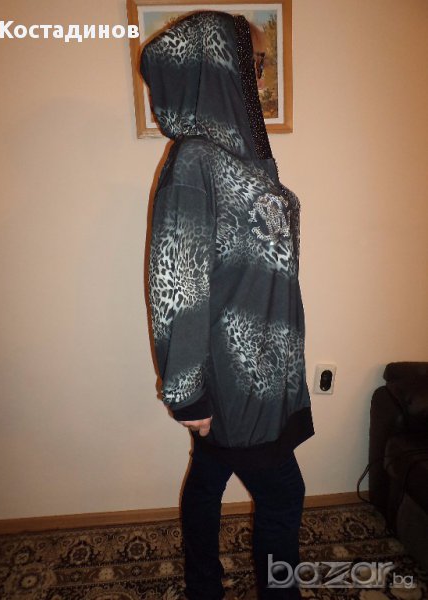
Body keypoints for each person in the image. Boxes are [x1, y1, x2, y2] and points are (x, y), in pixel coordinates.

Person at [140, 10, 315, 599]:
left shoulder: (244, 158)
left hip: (263, 365)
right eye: (253, 62)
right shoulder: (195, 162)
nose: (257, 75)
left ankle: (203, 587)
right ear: (218, 69)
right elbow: (176, 284)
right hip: (236, 374)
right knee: (284, 494)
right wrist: (187, 392)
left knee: (210, 473)